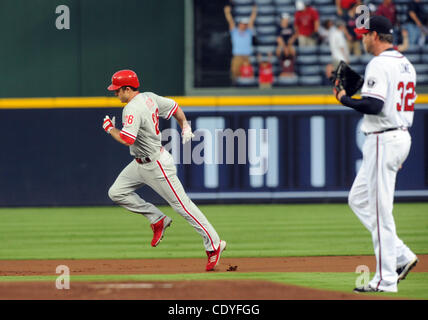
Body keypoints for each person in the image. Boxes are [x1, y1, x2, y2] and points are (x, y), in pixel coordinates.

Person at [102, 69, 227, 271]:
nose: (115, 93)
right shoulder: (150, 97)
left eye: (117, 90)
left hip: (156, 165)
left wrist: (110, 129)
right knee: (116, 192)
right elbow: (175, 107)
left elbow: (127, 139)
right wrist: (184, 125)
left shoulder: (132, 108)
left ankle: (214, 245)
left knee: (183, 206)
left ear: (127, 89)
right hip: (140, 163)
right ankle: (157, 218)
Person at [333, 16, 418, 293]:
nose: (362, 38)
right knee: (358, 199)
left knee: (381, 212)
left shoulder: (379, 63)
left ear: (376, 35)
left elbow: (374, 105)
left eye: (365, 34)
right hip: (397, 134)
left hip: (384, 137)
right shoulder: (405, 64)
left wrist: (344, 98)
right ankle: (402, 255)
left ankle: (385, 280)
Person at [224, 4, 257, 84]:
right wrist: (227, 12)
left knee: (248, 73)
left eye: (245, 24)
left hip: (246, 56)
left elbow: (252, 21)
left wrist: (254, 11)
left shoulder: (248, 31)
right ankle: (235, 86)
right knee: (235, 72)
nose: (244, 25)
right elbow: (230, 21)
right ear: (239, 24)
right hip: (237, 55)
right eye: (243, 23)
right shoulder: (234, 31)